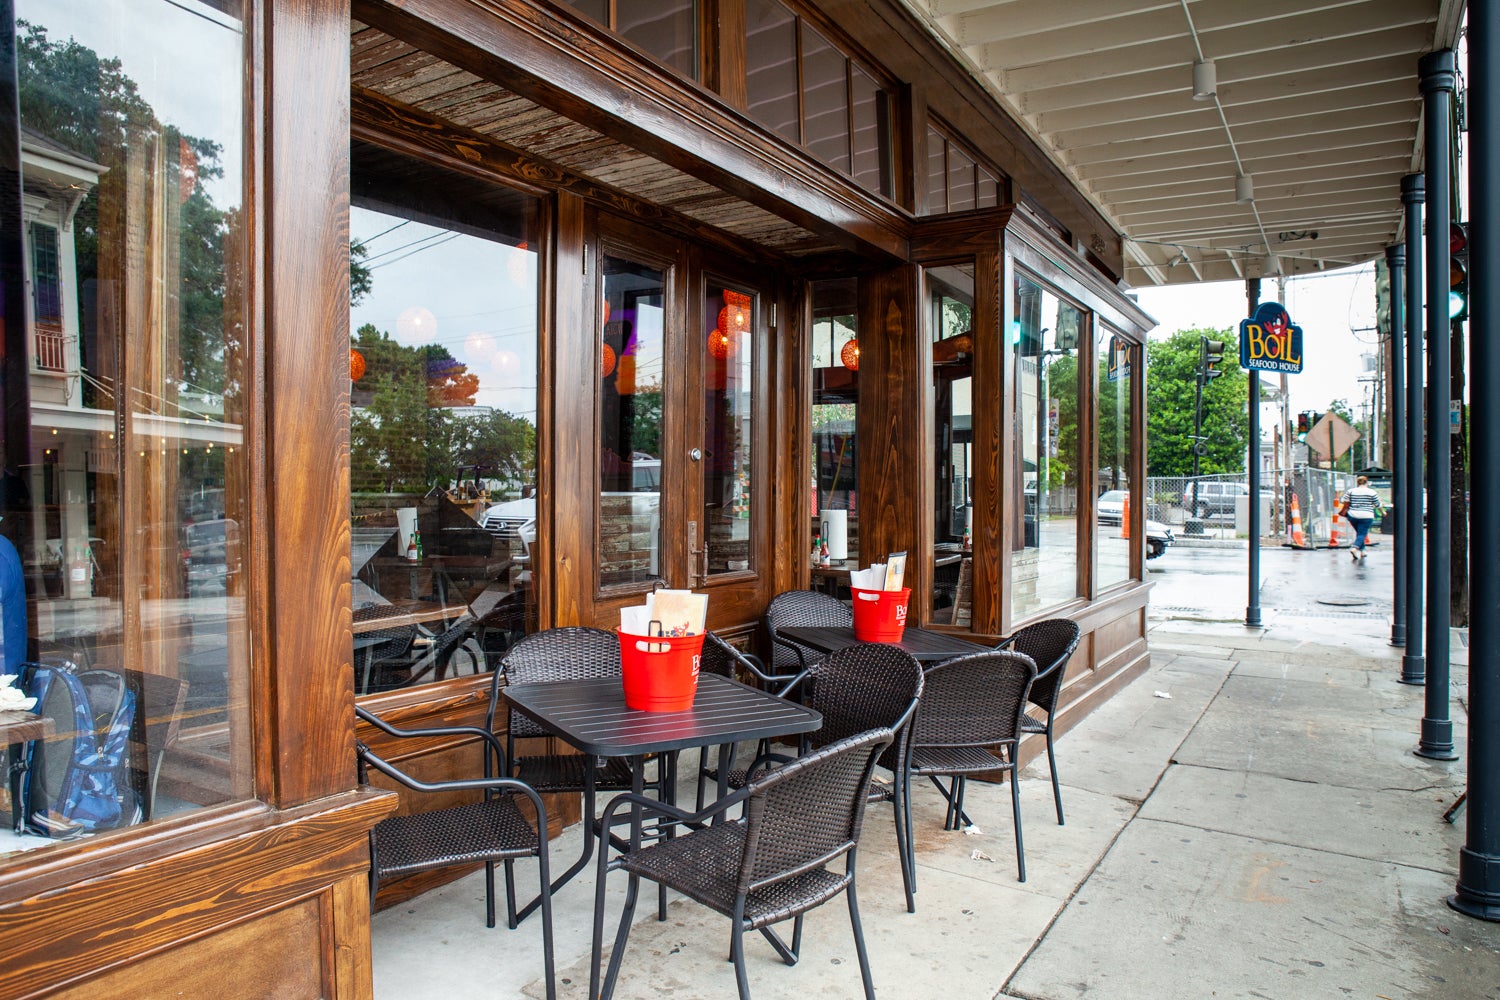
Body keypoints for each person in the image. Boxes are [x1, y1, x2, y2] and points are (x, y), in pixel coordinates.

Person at [1340, 475, 1382, 562]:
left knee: (1359, 533)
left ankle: (1362, 551)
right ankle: (1355, 548)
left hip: (1353, 515)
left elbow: (1343, 500)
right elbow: (1378, 504)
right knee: (1362, 534)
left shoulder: (1351, 491)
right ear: (1366, 482)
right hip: (1367, 515)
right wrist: (1383, 512)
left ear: (1357, 482)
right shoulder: (1371, 492)